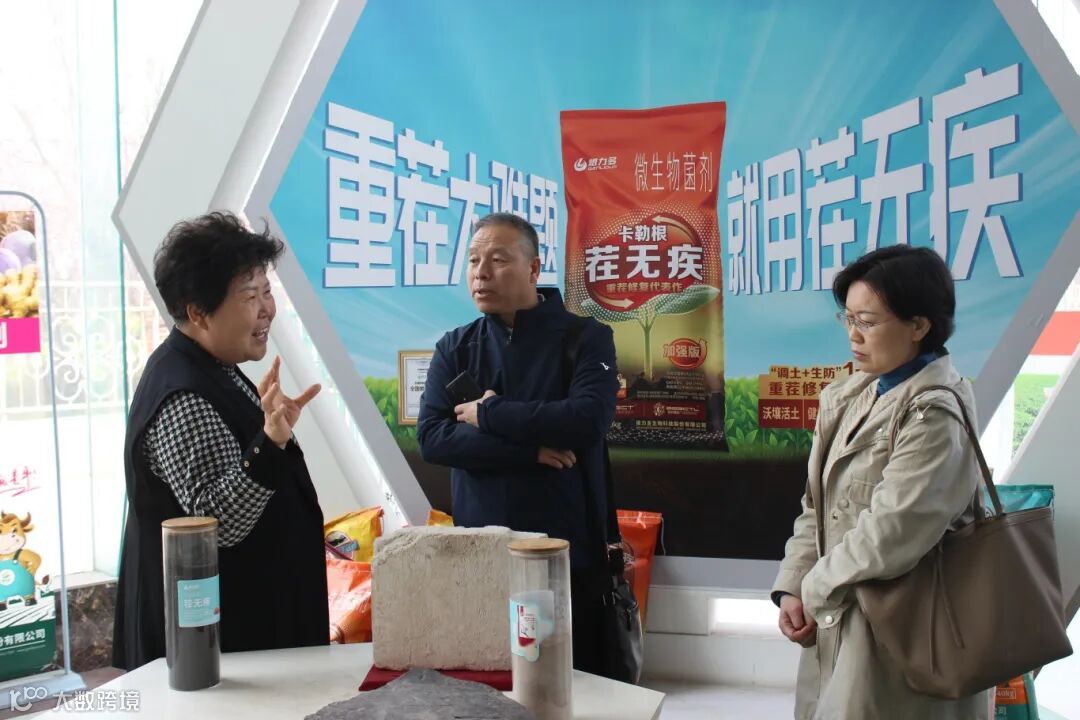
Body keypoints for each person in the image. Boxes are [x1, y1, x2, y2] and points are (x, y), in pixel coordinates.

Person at [772, 245, 991, 719]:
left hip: (906, 632)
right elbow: (816, 507)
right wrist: (792, 587)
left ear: (919, 325)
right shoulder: (849, 394)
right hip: (840, 614)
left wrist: (813, 590)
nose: (853, 334)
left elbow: (890, 534)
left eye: (868, 322)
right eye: (848, 318)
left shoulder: (935, 411)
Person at [113, 212, 328, 670]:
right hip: (210, 650)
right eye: (250, 297)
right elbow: (218, 523)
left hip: (251, 631)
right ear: (196, 311)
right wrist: (271, 441)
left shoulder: (214, 366)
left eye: (267, 291)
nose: (267, 309)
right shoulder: (182, 396)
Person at [417, 212, 619, 676]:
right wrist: (528, 452)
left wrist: (489, 413)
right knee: (487, 681)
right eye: (473, 260)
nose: (481, 273)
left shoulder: (585, 338)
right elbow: (433, 438)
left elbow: (585, 420)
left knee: (568, 683)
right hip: (481, 550)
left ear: (533, 268)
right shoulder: (456, 347)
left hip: (563, 550)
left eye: (498, 259)